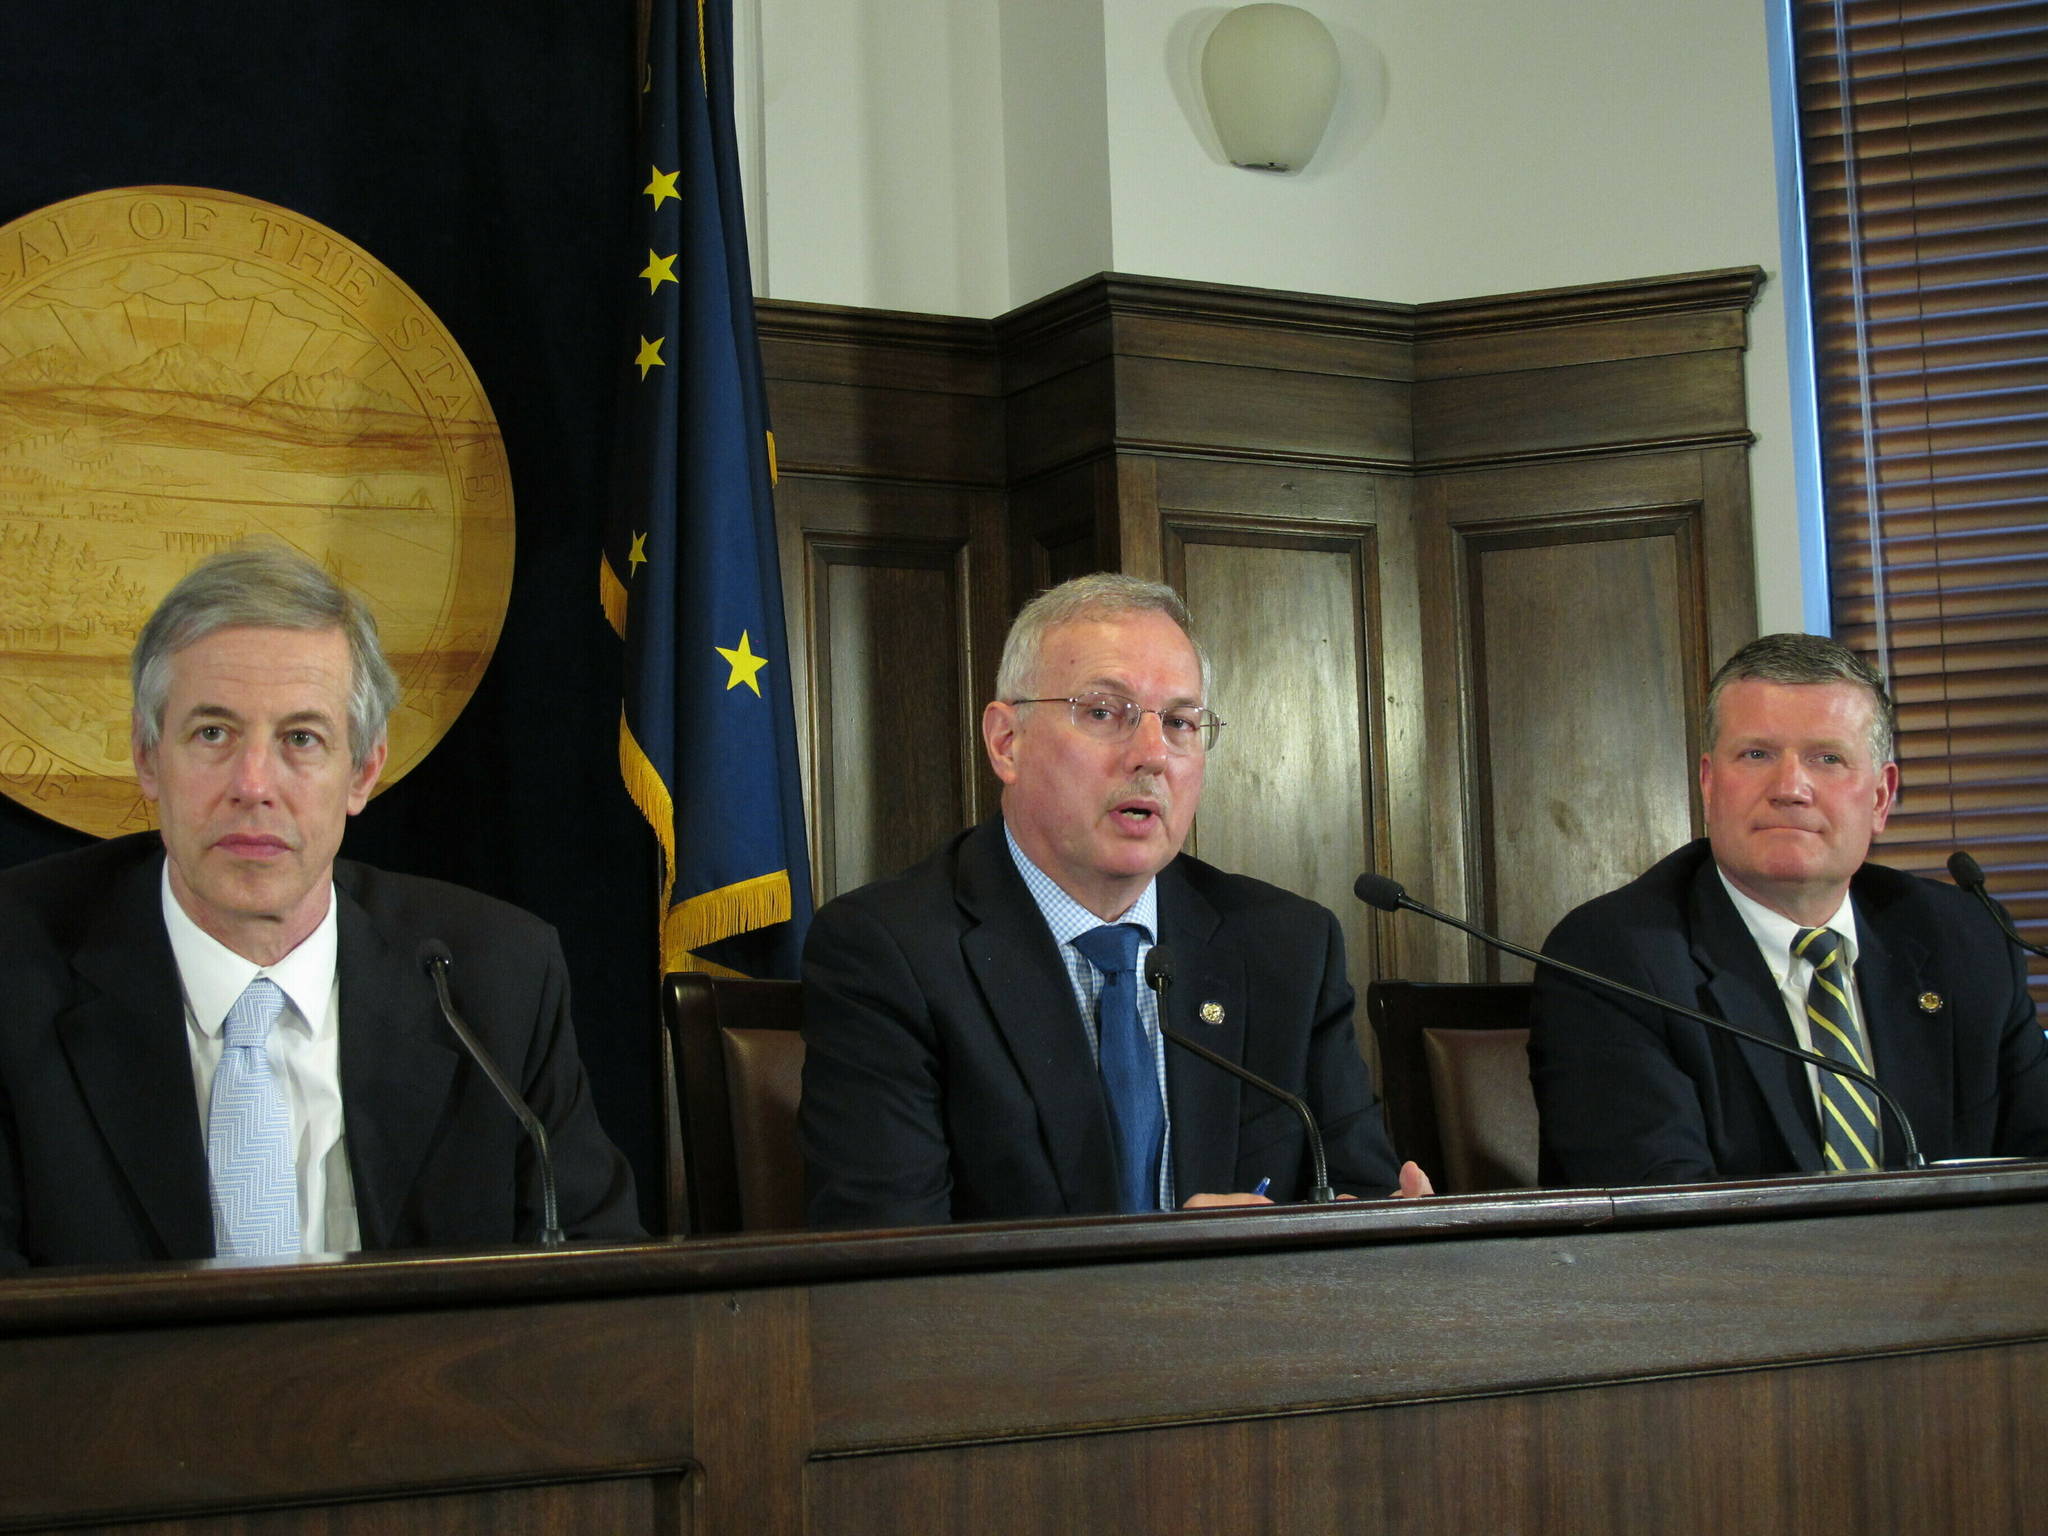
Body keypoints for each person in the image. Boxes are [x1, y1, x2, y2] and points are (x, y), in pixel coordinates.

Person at [0, 546, 639, 1268]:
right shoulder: (16, 971)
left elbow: (598, 1284)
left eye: (301, 739)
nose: (253, 784)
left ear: (363, 772)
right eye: (213, 733)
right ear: (148, 758)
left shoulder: (494, 981)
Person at [799, 572, 1429, 1227]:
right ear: (1006, 742)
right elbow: (889, 1264)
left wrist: (1387, 1231)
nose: (1152, 755)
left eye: (1181, 722)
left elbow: (1360, 1193)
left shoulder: (1285, 946)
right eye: (1104, 713)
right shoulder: (888, 951)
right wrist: (1172, 1286)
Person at [1528, 631, 2048, 1186]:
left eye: (1827, 758)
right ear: (1709, 784)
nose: (1790, 788)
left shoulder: (1964, 939)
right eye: (1757, 755)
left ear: (1880, 797)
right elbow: (1660, 1222)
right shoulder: (1610, 957)